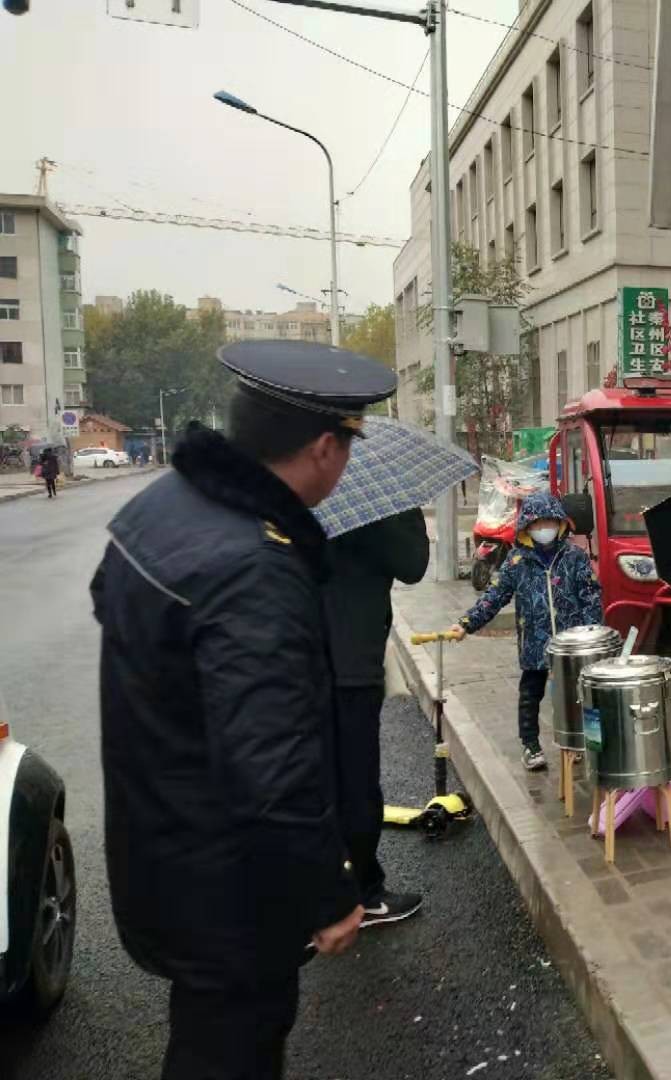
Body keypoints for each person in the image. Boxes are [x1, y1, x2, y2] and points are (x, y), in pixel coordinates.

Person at [90, 340, 396, 1080]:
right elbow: (272, 767)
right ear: (323, 448)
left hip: (158, 847)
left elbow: (114, 610)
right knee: (232, 1047)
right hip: (228, 887)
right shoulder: (254, 567)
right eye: (348, 446)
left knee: (205, 1036)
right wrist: (328, 895)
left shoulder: (166, 504)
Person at [322, 508, 430, 927]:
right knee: (356, 784)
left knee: (317, 779)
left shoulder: (298, 495)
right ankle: (360, 893)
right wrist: (402, 512)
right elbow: (413, 563)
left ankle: (315, 894)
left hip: (301, 653)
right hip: (349, 663)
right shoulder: (372, 505)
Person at [450, 491, 601, 771]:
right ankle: (531, 745)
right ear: (527, 527)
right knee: (530, 694)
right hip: (535, 643)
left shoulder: (575, 558)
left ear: (560, 523)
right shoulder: (516, 562)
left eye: (549, 522)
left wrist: (592, 636)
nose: (544, 528)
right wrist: (467, 622)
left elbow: (591, 597)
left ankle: (578, 741)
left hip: (572, 645)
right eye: (537, 523)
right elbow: (494, 596)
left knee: (579, 694)